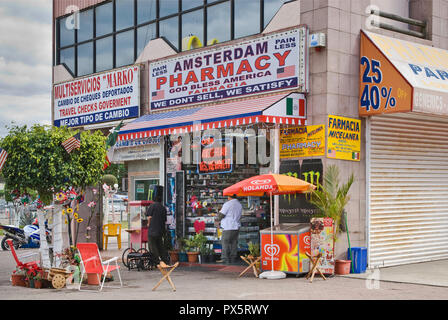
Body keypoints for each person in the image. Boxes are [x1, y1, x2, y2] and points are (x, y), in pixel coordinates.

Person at [216, 194, 242, 265]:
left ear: (229, 197)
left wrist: (217, 219)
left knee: (225, 242)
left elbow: (221, 215)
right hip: (236, 226)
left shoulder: (228, 204)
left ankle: (225, 259)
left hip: (228, 226)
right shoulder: (239, 204)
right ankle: (233, 258)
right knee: (234, 243)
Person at [145, 194, 168, 264]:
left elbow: (149, 216)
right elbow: (165, 220)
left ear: (153, 200)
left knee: (152, 246)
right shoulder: (163, 208)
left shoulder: (152, 206)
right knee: (160, 245)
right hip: (160, 230)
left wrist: (148, 224)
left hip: (152, 230)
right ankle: (164, 260)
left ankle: (156, 261)